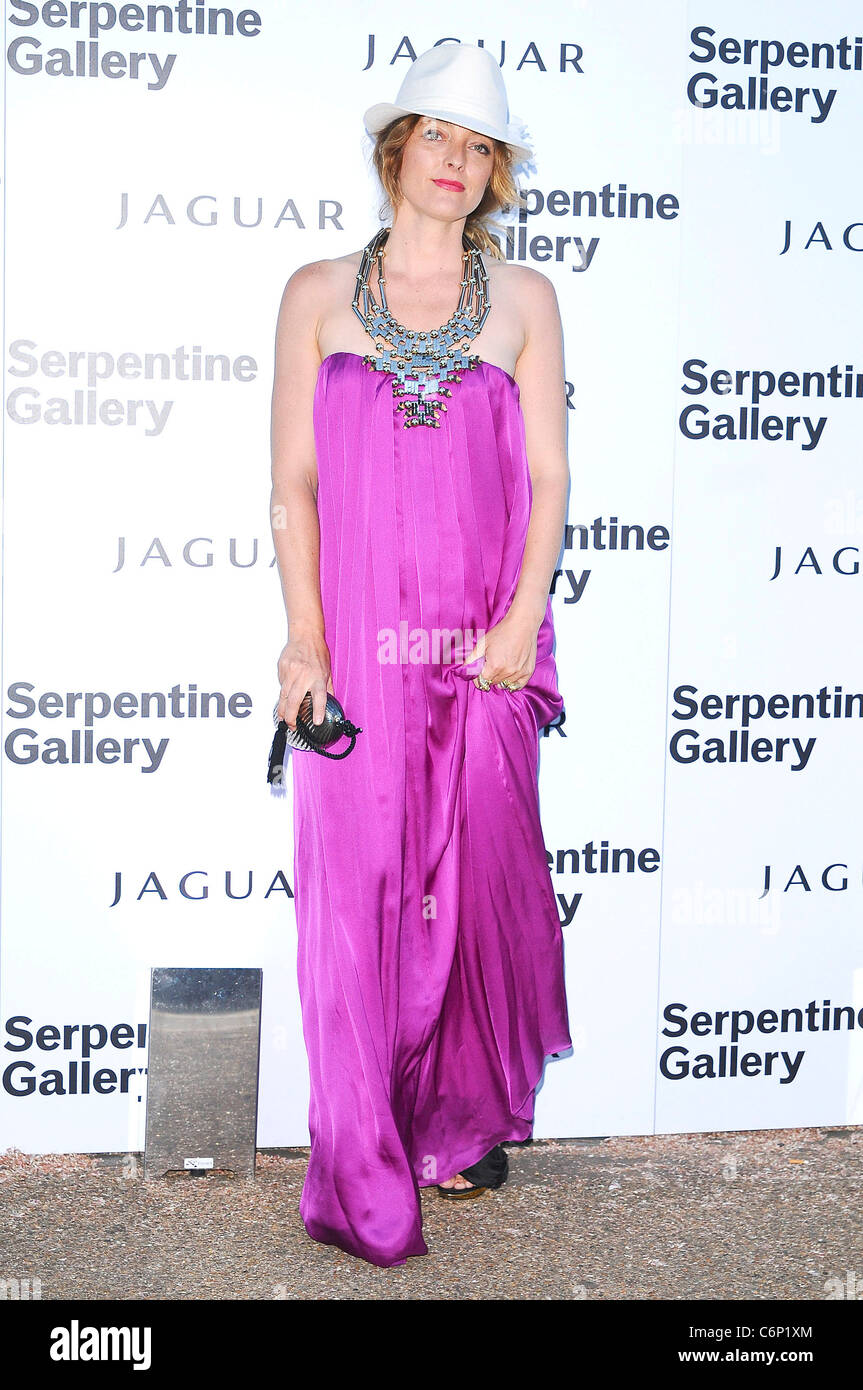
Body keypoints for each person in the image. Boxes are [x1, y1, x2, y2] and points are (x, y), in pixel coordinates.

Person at [269, 42, 572, 1268]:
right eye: (438, 138)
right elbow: (291, 480)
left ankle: (453, 1120)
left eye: (480, 147)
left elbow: (548, 477)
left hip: (482, 642)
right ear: (396, 149)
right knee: (358, 896)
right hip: (355, 641)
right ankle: (362, 1147)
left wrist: (518, 616)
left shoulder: (530, 301)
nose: (457, 162)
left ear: (496, 174)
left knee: (475, 877)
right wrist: (302, 642)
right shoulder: (315, 294)